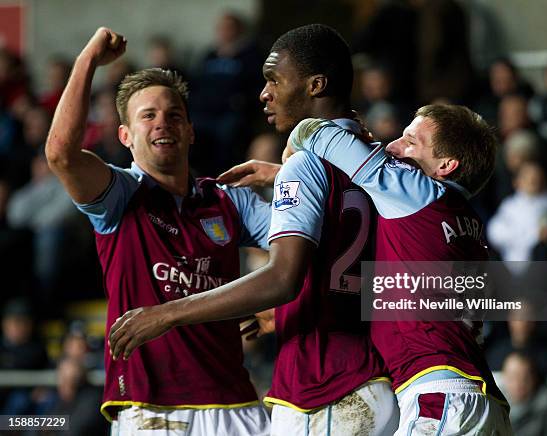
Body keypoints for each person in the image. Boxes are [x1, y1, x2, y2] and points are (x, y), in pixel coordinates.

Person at [109, 24, 398, 435]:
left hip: (327, 387)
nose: (264, 92)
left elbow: (282, 278)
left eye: (274, 80)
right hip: (370, 373)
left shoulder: (309, 164)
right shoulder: (363, 166)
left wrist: (168, 314)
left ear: (315, 85)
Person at [222, 103, 513, 434]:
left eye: (410, 141)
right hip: (482, 400)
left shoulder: (420, 196)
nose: (393, 147)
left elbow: (320, 134)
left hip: (441, 398)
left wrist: (293, 152)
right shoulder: (463, 222)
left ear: (445, 165)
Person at [45, 28, 271, 435]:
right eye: (147, 115)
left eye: (174, 115)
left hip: (235, 403)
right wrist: (88, 61)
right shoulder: (119, 196)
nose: (162, 123)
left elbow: (303, 245)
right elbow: (60, 153)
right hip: (150, 408)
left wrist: (283, 306)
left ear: (190, 131)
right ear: (125, 136)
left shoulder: (226, 199)